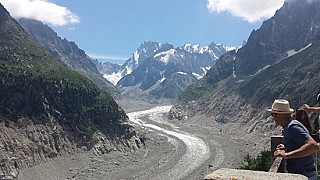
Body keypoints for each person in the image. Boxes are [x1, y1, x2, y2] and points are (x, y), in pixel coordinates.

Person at [268, 99, 319, 179]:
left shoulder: (292, 127)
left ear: (278, 115)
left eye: (272, 114)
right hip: (305, 174)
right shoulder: (290, 126)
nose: (273, 117)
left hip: (304, 175)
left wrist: (286, 155)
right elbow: (301, 144)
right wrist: (287, 147)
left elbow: (313, 146)